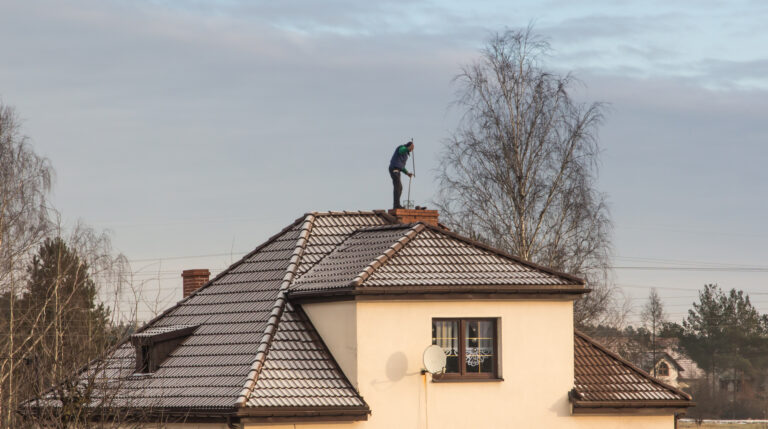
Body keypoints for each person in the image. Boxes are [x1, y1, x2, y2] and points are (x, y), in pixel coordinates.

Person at [388, 141, 414, 209]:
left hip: (397, 170)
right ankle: (396, 205)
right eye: (411, 147)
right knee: (397, 186)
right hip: (394, 169)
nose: (412, 149)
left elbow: (401, 166)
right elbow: (401, 151)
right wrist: (408, 148)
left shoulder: (405, 155)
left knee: (400, 187)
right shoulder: (402, 148)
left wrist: (407, 173)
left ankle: (397, 205)